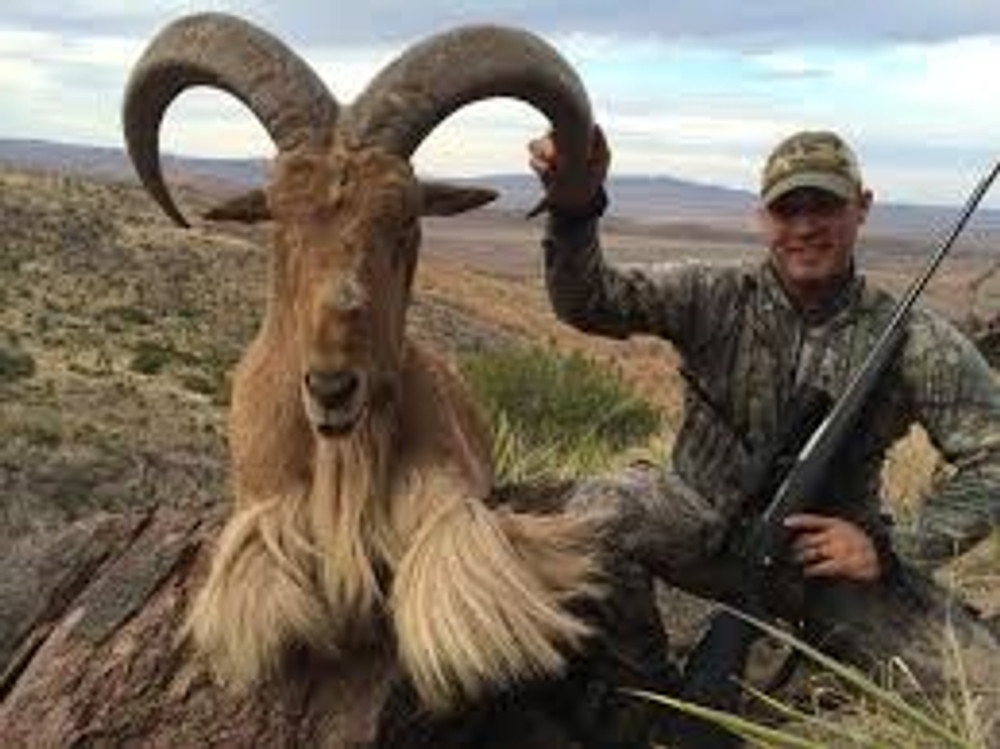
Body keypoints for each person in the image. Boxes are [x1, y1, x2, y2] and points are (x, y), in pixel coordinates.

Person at [528, 127, 1000, 740]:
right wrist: (574, 209)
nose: (805, 226)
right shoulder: (713, 294)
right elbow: (587, 301)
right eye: (787, 209)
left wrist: (892, 548)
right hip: (698, 519)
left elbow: (993, 458)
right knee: (592, 512)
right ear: (762, 218)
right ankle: (648, 698)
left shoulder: (915, 341)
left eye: (825, 206)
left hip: (828, 561)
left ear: (862, 207)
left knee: (986, 690)